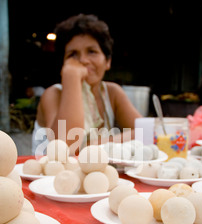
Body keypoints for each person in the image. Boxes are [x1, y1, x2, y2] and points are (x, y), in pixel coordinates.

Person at [32, 14, 142, 155]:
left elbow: (146, 133)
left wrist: (95, 145)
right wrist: (72, 78)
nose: (83, 60)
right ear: (63, 64)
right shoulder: (53, 94)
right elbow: (66, 148)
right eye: (73, 54)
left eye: (92, 52)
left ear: (107, 61)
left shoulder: (112, 92)